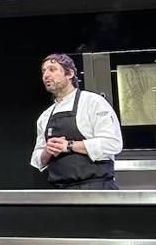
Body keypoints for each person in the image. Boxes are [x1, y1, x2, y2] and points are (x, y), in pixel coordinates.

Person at [30, 53, 123, 189]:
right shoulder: (45, 116)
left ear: (70, 74)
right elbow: (38, 159)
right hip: (61, 192)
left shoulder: (93, 102)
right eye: (43, 71)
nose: (46, 75)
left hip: (97, 188)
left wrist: (68, 145)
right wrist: (47, 151)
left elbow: (113, 143)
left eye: (52, 69)